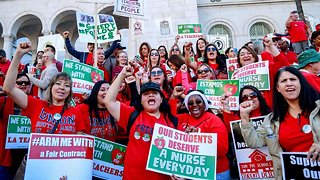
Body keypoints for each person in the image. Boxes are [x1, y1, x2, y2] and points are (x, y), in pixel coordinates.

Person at [240, 66, 320, 180]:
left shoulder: (318, 108)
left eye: (293, 79)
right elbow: (254, 142)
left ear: (301, 83)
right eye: (283, 81)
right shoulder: (271, 120)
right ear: (278, 88)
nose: (289, 83)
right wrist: (244, 117)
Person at [104, 66, 178, 179]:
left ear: (161, 99)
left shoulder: (172, 121)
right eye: (146, 94)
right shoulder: (131, 114)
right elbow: (108, 101)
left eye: (154, 93)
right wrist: (122, 75)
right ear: (141, 101)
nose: (151, 95)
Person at [4, 42, 85, 134]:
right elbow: (8, 88)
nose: (62, 87)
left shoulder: (76, 112)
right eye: (58, 84)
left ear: (70, 91)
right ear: (51, 87)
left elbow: (80, 142)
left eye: (67, 85)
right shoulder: (36, 105)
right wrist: (18, 55)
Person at [170, 89, 230, 179]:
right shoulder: (182, 118)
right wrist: (173, 98)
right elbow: (167, 118)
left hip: (216, 173)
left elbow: (222, 150)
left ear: (205, 104)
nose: (194, 105)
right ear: (187, 106)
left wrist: (197, 137)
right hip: (193, 172)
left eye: (198, 102)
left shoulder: (214, 120)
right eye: (190, 103)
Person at [0, 72, 31, 179]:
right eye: (19, 82)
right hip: (6, 159)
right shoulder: (3, 101)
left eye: (26, 83)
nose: (23, 85)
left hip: (26, 159)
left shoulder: (36, 103)